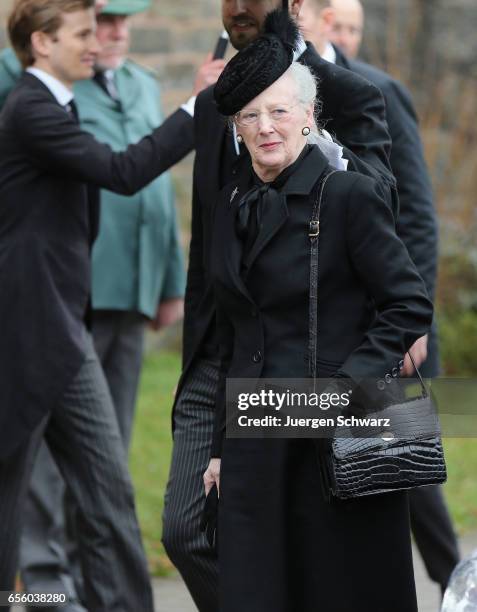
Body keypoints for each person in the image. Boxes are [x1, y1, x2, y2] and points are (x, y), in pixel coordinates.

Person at [162, 1, 396, 609]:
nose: (239, 6)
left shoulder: (348, 97)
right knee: (197, 532)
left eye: (279, 113)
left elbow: (388, 213)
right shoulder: (223, 96)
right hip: (233, 351)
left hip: (333, 368)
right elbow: (209, 238)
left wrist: (362, 377)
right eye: (250, 118)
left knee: (337, 558)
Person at [0, 0, 196, 607]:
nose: (95, 43)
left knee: (106, 491)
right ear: (41, 43)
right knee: (14, 504)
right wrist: (198, 108)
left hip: (62, 330)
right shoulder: (32, 110)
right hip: (28, 335)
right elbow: (123, 170)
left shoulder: (57, 105)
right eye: (83, 33)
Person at [299, 0, 460, 594]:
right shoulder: (277, 93)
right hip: (323, 333)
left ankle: (452, 579)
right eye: (335, 23)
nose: (340, 35)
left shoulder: (379, 90)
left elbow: (416, 214)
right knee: (359, 461)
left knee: (400, 458)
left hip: (389, 326)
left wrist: (412, 319)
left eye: (349, 29)